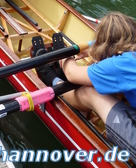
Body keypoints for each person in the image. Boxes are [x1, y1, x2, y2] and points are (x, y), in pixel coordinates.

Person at [58, 12, 136, 163]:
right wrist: (93, 48)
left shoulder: (120, 64)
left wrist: (63, 58)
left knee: (92, 92)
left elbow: (71, 74)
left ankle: (53, 81)